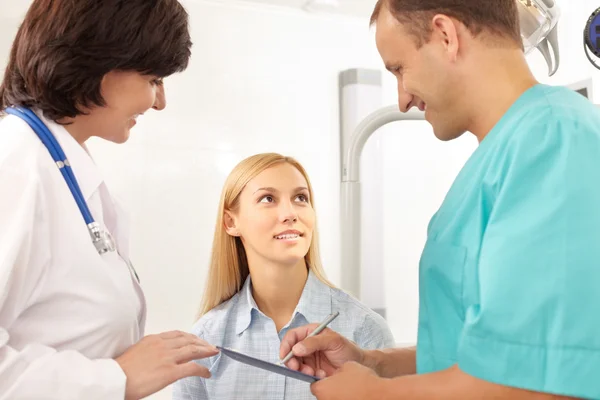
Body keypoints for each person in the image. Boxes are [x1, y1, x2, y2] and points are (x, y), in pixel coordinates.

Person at [279, 0, 600, 399]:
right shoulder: (506, 152)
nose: (402, 99)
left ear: (446, 36)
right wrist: (373, 364)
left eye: (399, 69)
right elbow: (487, 352)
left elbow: (537, 383)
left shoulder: (553, 139)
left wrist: (372, 395)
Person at [0, 1, 219, 399]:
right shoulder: (14, 167)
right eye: (153, 79)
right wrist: (115, 378)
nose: (159, 101)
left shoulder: (60, 165)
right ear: (98, 61)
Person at [172, 153, 395, 400]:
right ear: (230, 222)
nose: (290, 213)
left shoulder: (365, 331)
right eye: (268, 199)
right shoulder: (206, 338)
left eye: (300, 198)